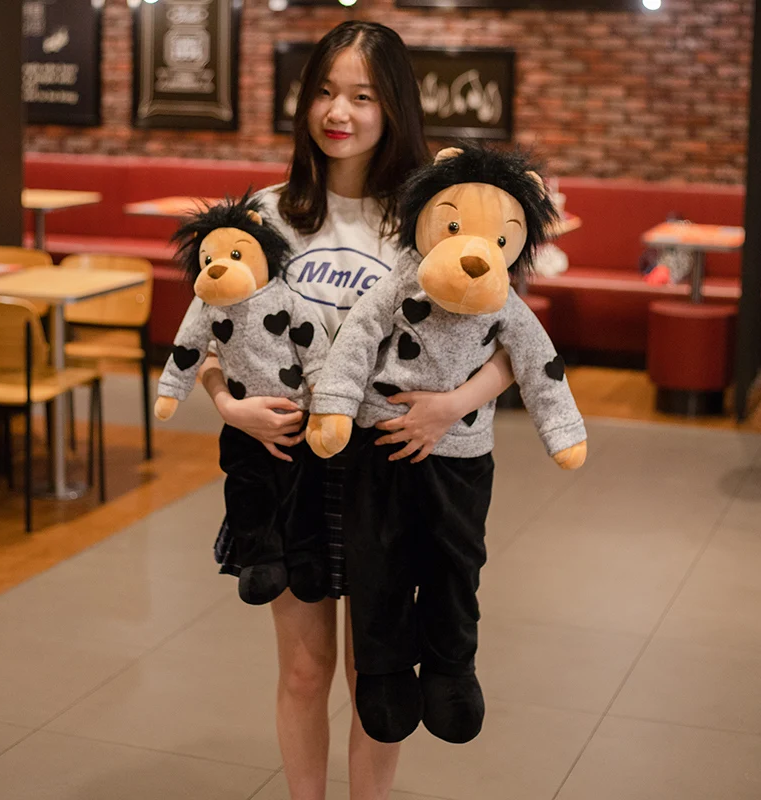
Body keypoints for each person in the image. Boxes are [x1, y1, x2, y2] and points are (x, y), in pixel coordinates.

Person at [194, 21, 515, 800]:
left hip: (395, 467)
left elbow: (514, 345)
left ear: (395, 105)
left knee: (380, 672)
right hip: (290, 470)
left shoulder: (434, 215)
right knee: (304, 672)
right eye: (325, 92)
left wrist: (450, 407)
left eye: (362, 96)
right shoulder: (268, 214)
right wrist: (230, 407)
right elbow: (209, 340)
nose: (338, 112)